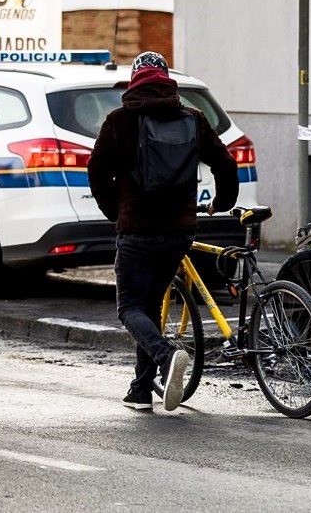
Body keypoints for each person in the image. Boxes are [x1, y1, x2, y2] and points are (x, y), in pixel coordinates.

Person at [88, 51, 239, 412]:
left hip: (137, 230)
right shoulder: (193, 118)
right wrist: (224, 201)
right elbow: (225, 162)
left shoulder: (119, 120)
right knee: (152, 304)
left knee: (129, 307)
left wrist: (115, 211)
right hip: (179, 231)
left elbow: (96, 171)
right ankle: (140, 391)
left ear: (135, 79)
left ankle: (166, 355)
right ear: (167, 79)